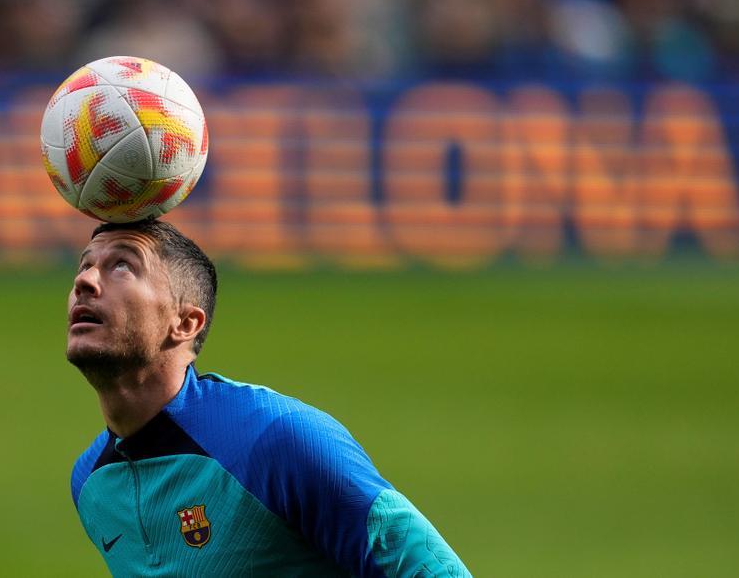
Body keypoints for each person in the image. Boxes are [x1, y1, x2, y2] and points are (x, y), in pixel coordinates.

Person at [67, 218, 471, 577]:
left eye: (122, 265)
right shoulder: (90, 484)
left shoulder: (277, 439)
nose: (84, 281)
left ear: (185, 323)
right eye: (85, 265)